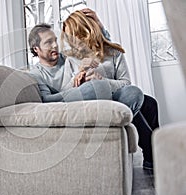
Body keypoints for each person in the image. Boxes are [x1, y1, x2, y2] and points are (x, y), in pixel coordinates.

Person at [28, 8, 158, 169]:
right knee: (137, 97)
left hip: (115, 94)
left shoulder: (70, 55)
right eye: (49, 42)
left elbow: (100, 46)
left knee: (149, 102)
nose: (57, 45)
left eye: (56, 40)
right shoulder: (54, 66)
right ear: (36, 49)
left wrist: (99, 24)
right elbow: (64, 94)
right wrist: (79, 80)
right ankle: (156, 152)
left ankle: (152, 156)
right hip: (90, 101)